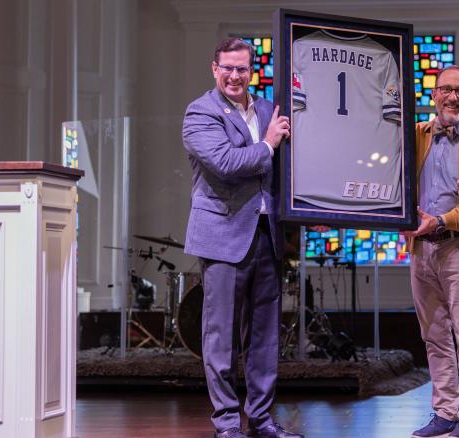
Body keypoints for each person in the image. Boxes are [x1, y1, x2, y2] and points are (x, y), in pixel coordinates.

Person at [182, 37, 302, 438]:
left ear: (253, 71)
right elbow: (226, 163)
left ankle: (263, 420)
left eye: (243, 68)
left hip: (268, 235)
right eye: (228, 68)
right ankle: (228, 423)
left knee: (265, 337)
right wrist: (268, 143)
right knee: (221, 337)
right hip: (222, 235)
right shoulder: (200, 112)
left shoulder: (269, 109)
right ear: (214, 69)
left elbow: (288, 170)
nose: (235, 76)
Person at [405, 65, 459, 438]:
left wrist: (439, 221)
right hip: (420, 249)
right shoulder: (416, 134)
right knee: (435, 335)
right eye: (446, 90)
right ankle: (443, 411)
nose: (452, 97)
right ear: (434, 96)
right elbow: (393, 181)